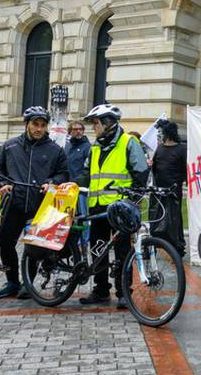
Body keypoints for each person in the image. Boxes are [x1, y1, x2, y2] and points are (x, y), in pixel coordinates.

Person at [71, 103, 150, 309]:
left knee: (123, 251)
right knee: (98, 250)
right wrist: (73, 183)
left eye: (95, 123)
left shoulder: (128, 143)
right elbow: (86, 174)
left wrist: (133, 201)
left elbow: (141, 174)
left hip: (120, 208)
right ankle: (100, 291)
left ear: (107, 123)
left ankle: (124, 293)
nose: (93, 128)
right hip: (97, 207)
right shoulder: (95, 147)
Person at [0, 106, 69, 299]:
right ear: (27, 124)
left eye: (42, 125)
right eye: (35, 124)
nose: (39, 129)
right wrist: (1, 184)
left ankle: (28, 283)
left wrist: (52, 182)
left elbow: (64, 173)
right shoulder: (10, 146)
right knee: (5, 242)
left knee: (33, 246)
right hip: (14, 204)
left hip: (39, 205)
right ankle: (12, 282)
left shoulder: (55, 150)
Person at [148, 119, 187, 257]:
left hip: (173, 190)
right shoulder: (160, 148)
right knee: (156, 216)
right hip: (158, 189)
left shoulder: (182, 149)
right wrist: (150, 164)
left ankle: (177, 245)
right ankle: (154, 243)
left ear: (168, 133)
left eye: (162, 132)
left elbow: (185, 169)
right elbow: (156, 166)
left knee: (174, 218)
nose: (160, 135)